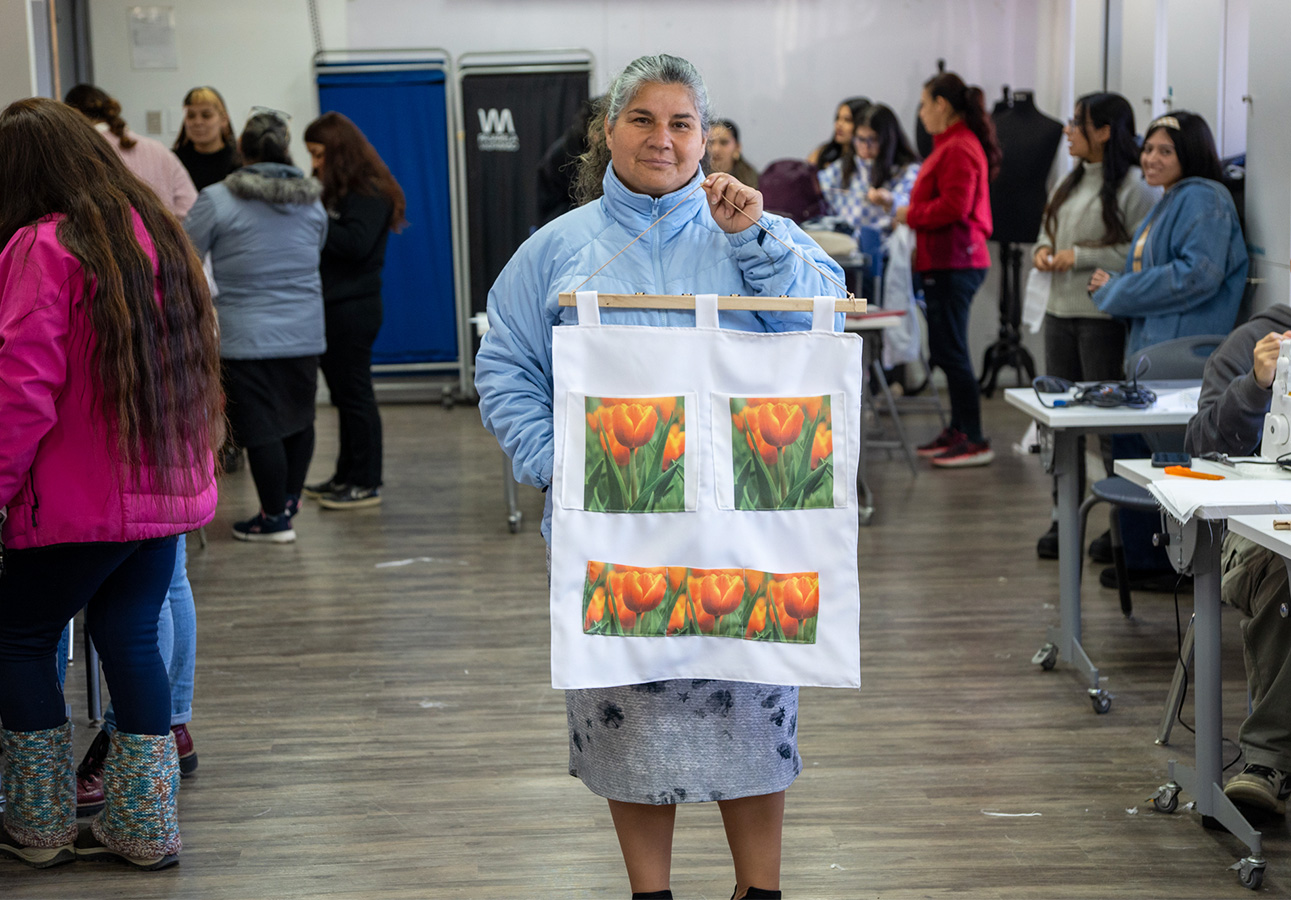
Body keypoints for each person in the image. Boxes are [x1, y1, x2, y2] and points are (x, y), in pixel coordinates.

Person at [475, 53, 845, 900]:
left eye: (682, 123)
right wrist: (561, 467)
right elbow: (504, 367)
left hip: (745, 534)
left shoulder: (756, 228)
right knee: (629, 724)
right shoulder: (557, 250)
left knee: (754, 714)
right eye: (642, 119)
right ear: (608, 131)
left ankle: (762, 891)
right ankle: (652, 895)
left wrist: (755, 240)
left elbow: (823, 324)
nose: (663, 138)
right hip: (616, 533)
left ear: (707, 138)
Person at [0, 97, 221, 870]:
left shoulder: (40, 246)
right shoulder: (152, 234)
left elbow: (21, 389)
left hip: (75, 502)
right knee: (129, 639)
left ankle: (37, 824)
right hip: (161, 490)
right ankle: (144, 827)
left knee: (18, 639)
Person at [184, 112, 327, 542]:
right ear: (286, 150)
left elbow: (185, 253)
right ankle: (288, 501)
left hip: (246, 333)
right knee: (300, 418)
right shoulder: (311, 200)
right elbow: (317, 247)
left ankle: (274, 518)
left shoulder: (216, 198)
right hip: (304, 329)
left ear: (242, 150)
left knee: (262, 425)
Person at [1031, 92, 1161, 559]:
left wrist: (1079, 257)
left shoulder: (1134, 187)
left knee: (1108, 429)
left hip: (1101, 320)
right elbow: (1048, 231)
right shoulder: (1069, 181)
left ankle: (1120, 528)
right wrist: (1043, 252)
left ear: (1104, 131)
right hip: (1059, 315)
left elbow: (1137, 254)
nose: (1067, 129)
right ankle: (1061, 518)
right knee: (1059, 424)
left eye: (1077, 122)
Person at [1183, 305, 1291, 819]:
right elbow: (1198, 444)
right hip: (1247, 532)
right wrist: (1255, 385)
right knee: (1283, 579)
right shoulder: (1252, 342)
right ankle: (1269, 762)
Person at [301, 112, 407, 509]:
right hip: (335, 307)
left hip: (353, 309)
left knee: (356, 396)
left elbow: (356, 244)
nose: (314, 164)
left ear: (339, 152)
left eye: (318, 154)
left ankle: (366, 482)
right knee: (344, 399)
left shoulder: (368, 192)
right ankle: (346, 474)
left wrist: (312, 221)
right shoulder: (342, 191)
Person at [896, 72, 1002, 468]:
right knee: (945, 348)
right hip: (944, 260)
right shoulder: (951, 145)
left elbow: (955, 207)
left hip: (957, 261)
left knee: (953, 351)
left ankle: (973, 437)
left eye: (924, 104)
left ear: (942, 104)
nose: (921, 114)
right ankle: (959, 429)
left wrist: (910, 215)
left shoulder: (959, 147)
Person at [1088, 111, 1247, 356]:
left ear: (1190, 153)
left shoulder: (1202, 197)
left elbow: (1196, 276)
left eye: (1165, 151)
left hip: (1182, 355)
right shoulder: (1171, 198)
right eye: (1148, 149)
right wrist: (1114, 285)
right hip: (1155, 350)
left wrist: (1118, 288)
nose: (1151, 159)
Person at [64, 84, 198, 219]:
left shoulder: (81, 154)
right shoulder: (159, 150)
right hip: (163, 238)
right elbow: (190, 209)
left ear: (74, 114)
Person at [850, 103, 920, 234]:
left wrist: (889, 200)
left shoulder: (909, 170)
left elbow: (908, 205)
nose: (866, 146)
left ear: (888, 139)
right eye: (861, 139)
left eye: (873, 139)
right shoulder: (847, 166)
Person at [813, 97, 872, 232]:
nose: (839, 125)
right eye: (838, 118)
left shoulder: (864, 165)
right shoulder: (822, 152)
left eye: (847, 120)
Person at [173, 86, 241, 191]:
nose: (198, 122)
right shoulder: (174, 161)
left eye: (206, 115)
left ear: (224, 120)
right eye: (191, 116)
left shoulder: (239, 161)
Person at [708, 118, 759, 188]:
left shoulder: (755, 181)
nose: (715, 149)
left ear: (737, 147)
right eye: (710, 142)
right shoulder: (695, 179)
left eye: (724, 142)